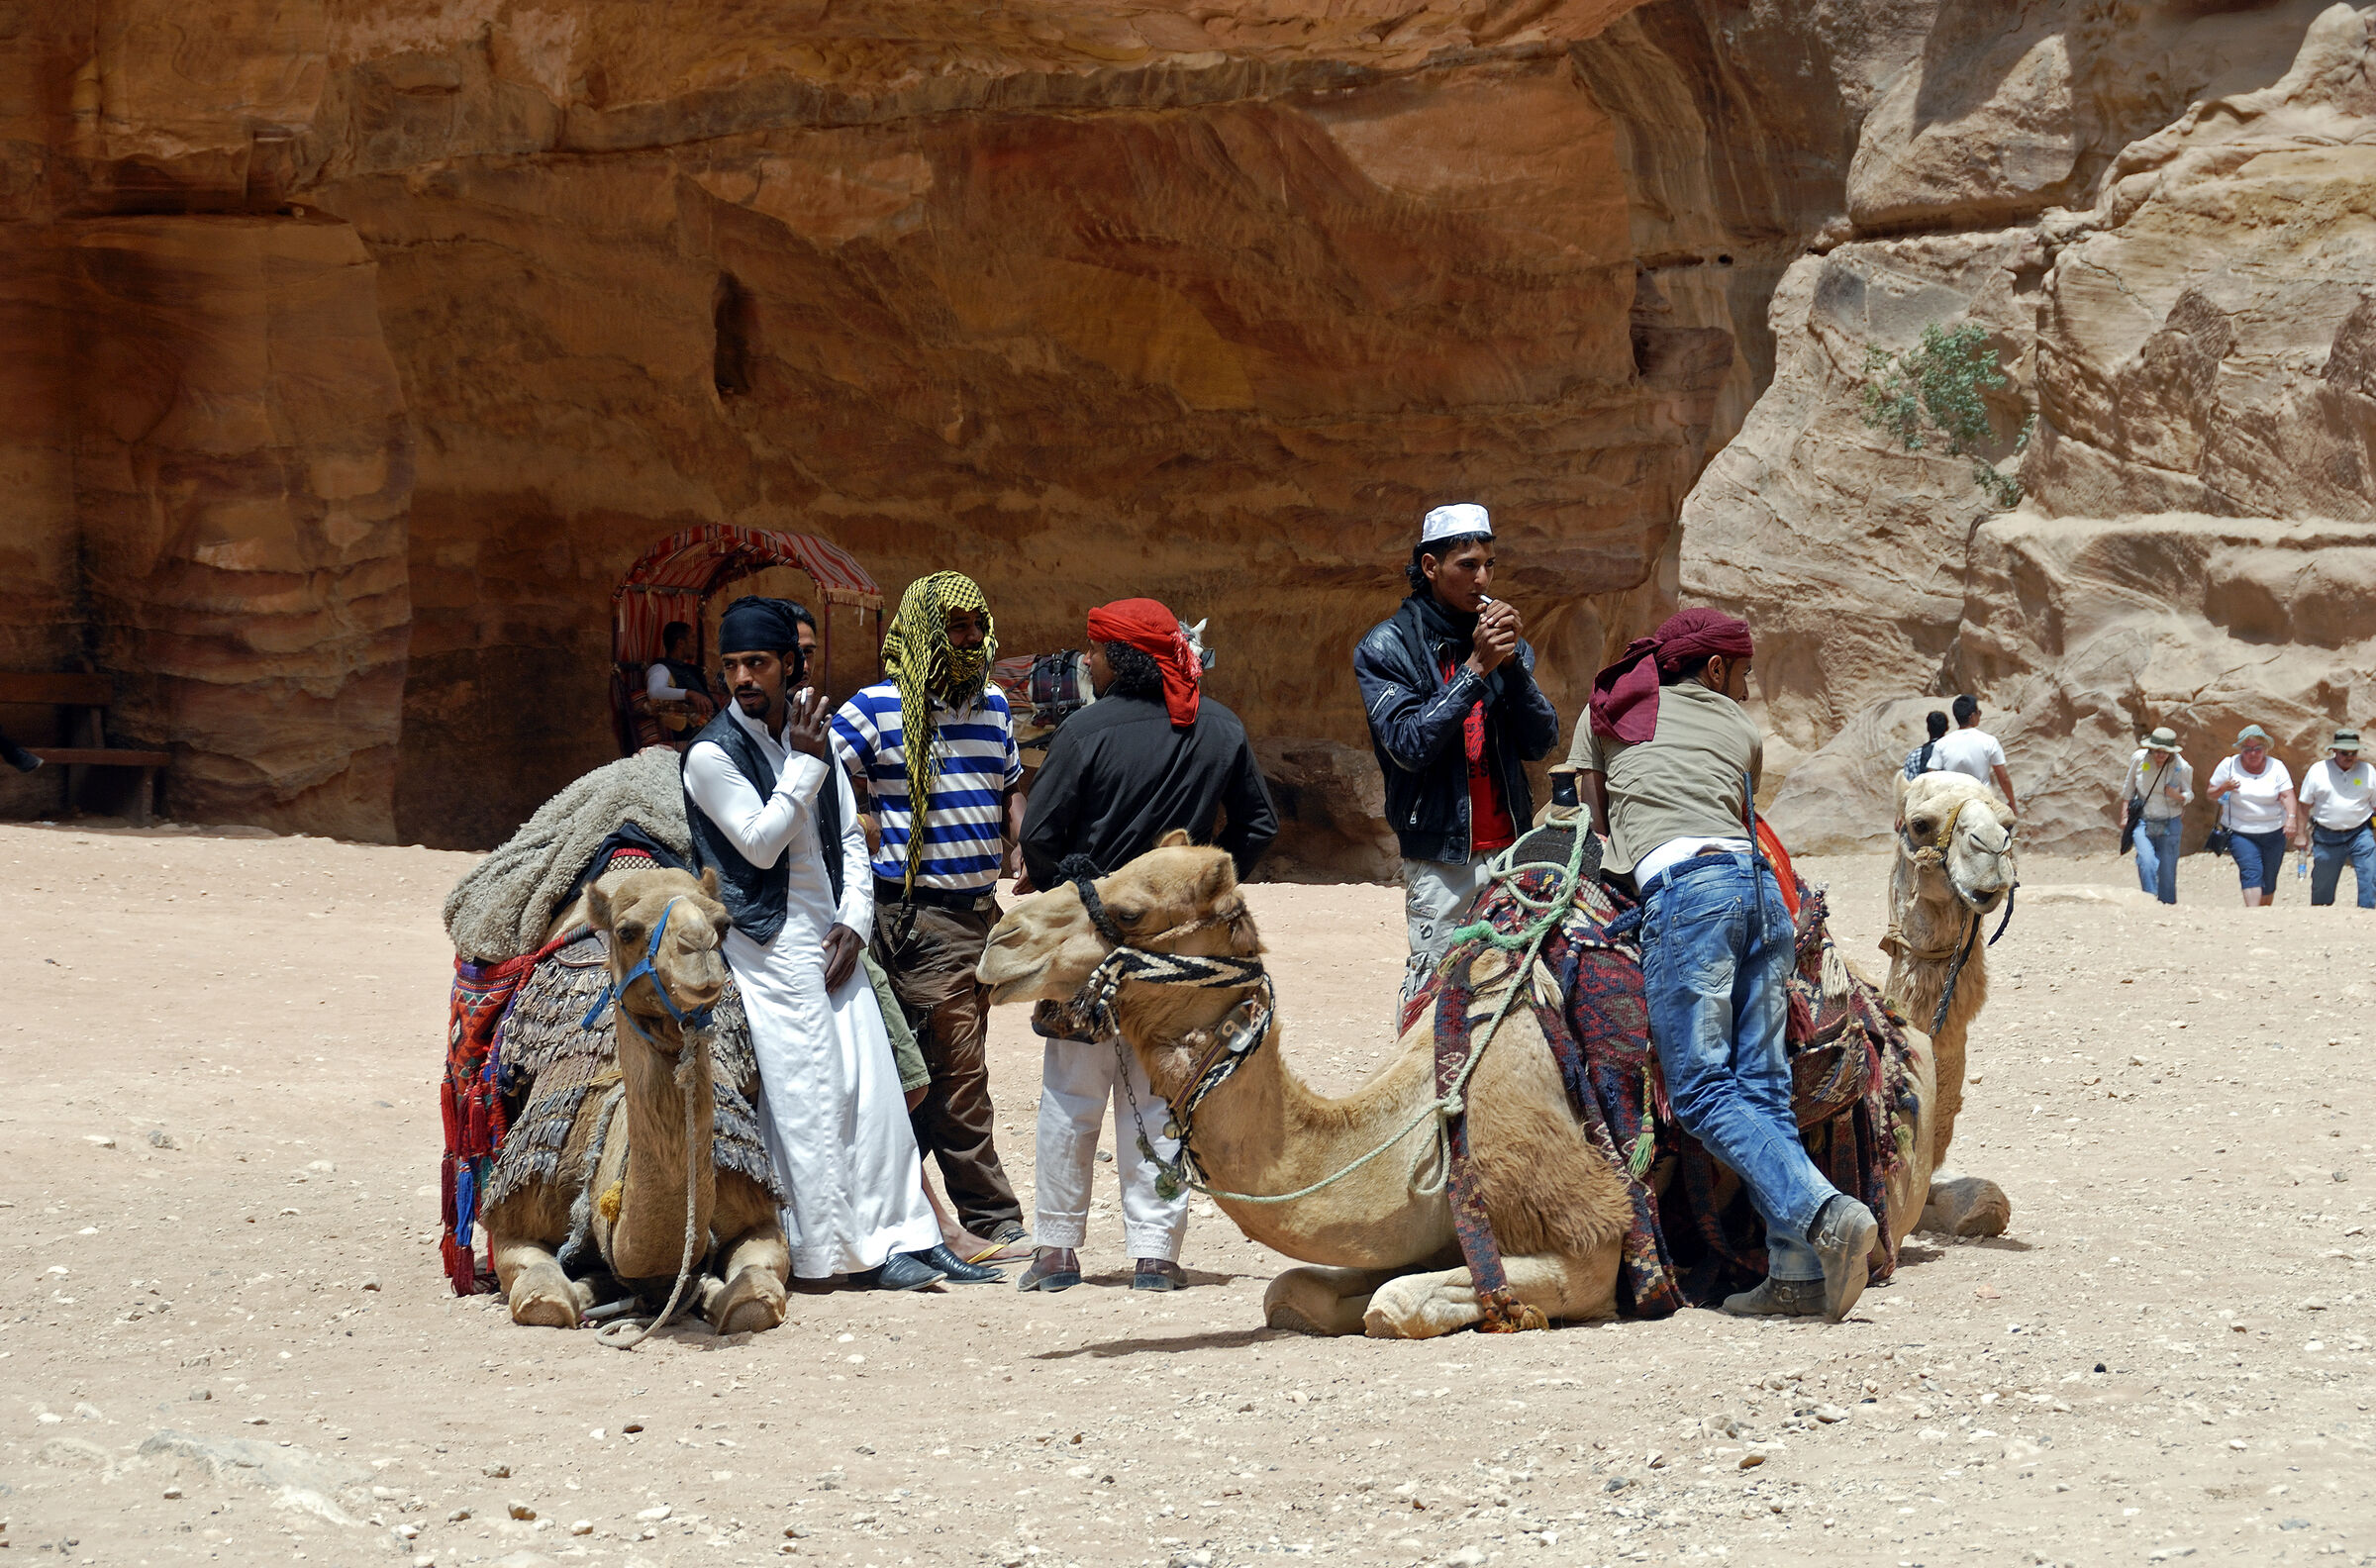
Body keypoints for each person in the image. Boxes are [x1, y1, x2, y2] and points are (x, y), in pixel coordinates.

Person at [1574, 607, 1878, 1323]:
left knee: (1702, 1088)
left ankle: (1823, 1211)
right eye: (1743, 673)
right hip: (1758, 894)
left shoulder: (1603, 713)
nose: (1745, 689)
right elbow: (1740, 817)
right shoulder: (1741, 731)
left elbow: (1595, 828)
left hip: (1687, 895)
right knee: (1765, 1085)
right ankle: (1797, 1274)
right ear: (1714, 670)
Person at [682, 595, 993, 1291]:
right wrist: (807, 764)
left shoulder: (805, 739)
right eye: (732, 665)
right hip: (770, 948)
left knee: (874, 1095)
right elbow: (760, 847)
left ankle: (903, 1237)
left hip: (833, 937)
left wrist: (854, 923)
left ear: (789, 665)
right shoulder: (711, 754)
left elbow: (852, 840)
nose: (743, 679)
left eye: (757, 663)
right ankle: (829, 1254)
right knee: (813, 1099)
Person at [1015, 597, 1279, 1295]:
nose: (1088, 662)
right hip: (1182, 955)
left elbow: (1039, 839)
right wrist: (1203, 898)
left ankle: (1054, 1253)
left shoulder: (1084, 732)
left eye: (1096, 651)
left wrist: (1077, 895)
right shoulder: (1220, 727)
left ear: (1122, 659)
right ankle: (1156, 1256)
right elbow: (1258, 824)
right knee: (1162, 1094)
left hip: (1093, 945)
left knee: (1071, 1093)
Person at [832, 573, 1030, 1252]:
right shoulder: (875, 708)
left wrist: (1018, 840)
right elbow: (813, 782)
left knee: (924, 1067)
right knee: (954, 1071)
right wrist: (860, 822)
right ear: (922, 631)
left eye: (977, 625)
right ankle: (986, 1217)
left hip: (977, 913)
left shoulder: (995, 706)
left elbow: (1008, 786)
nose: (971, 640)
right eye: (955, 627)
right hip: (918, 917)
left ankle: (906, 1212)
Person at [1353, 503, 1559, 1006]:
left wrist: (1510, 668)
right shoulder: (1386, 646)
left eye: (1489, 564)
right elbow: (1408, 746)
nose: (1482, 577)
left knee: (1515, 990)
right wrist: (1475, 669)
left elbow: (1541, 741)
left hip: (1510, 849)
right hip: (1442, 857)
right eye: (1467, 565)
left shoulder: (1501, 642)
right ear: (1430, 567)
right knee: (1435, 992)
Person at [2207, 724, 2298, 909]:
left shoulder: (2276, 767)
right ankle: (2253, 915)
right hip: (2241, 831)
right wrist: (2223, 787)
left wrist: (2291, 817)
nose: (2253, 753)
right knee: (2251, 872)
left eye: (2258, 749)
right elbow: (2211, 793)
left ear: (2265, 749)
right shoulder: (2229, 765)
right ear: (2241, 749)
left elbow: (2288, 795)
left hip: (2273, 832)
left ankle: (2263, 915)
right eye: (2248, 749)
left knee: (2269, 879)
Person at [2296, 728, 2374, 910]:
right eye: (2344, 752)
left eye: (2353, 752)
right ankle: (2320, 916)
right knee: (2323, 883)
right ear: (2334, 751)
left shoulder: (2368, 771)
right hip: (2326, 835)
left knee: (2370, 874)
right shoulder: (2318, 771)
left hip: (2360, 833)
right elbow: (2304, 804)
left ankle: (2368, 915)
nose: (2349, 756)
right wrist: (2301, 834)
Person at [2120, 726, 2193, 906]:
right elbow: (2128, 788)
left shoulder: (2181, 767)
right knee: (2146, 861)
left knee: (2167, 868)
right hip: (2144, 820)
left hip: (2170, 820)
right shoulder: (2139, 759)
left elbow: (2189, 794)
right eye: (2157, 751)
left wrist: (2176, 795)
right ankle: (2149, 902)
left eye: (2165, 752)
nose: (2160, 755)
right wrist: (2124, 815)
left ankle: (2167, 907)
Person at [1930, 694, 2018, 814]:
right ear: (1972, 716)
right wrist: (2012, 802)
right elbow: (2003, 778)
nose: (1980, 715)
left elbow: (1931, 776)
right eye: (1979, 712)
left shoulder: (1941, 744)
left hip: (1953, 807)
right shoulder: (1989, 741)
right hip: (1982, 804)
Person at [643, 621, 718, 737]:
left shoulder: (689, 670)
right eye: (692, 639)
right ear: (680, 643)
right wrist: (689, 694)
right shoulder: (660, 668)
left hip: (710, 726)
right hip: (692, 732)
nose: (695, 645)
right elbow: (654, 692)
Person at [1902, 710, 1949, 780]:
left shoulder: (1914, 756)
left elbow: (1908, 785)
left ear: (1928, 728)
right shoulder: (1953, 752)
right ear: (1947, 728)